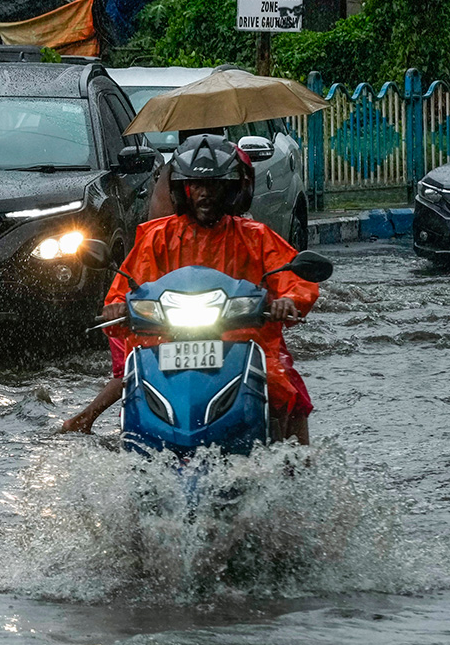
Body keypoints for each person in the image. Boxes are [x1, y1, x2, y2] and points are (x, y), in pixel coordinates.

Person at [62, 133, 318, 443]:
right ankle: (136, 446)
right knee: (135, 383)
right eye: (196, 185)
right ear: (183, 190)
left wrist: (287, 300)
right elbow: (125, 287)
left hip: (242, 339)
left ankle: (293, 464)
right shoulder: (158, 237)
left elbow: (295, 279)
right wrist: (117, 306)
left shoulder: (256, 236)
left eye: (213, 185)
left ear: (231, 189)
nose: (204, 193)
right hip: (167, 337)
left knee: (282, 386)